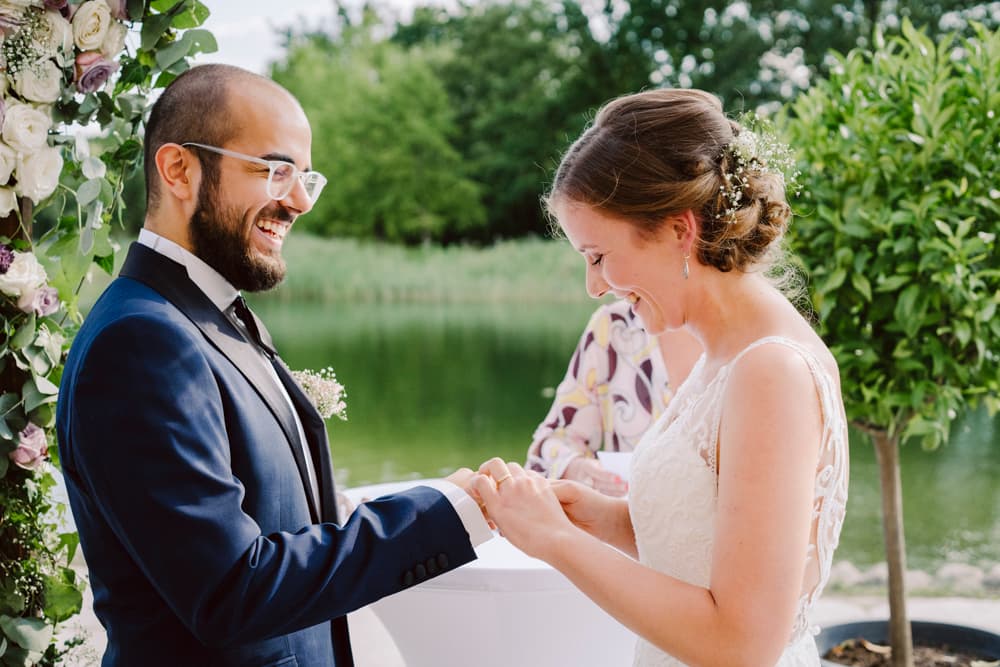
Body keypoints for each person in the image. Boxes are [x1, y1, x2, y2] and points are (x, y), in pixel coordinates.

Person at [55, 64, 491, 666]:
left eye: (307, 176)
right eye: (275, 170)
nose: (301, 201)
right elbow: (231, 590)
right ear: (179, 169)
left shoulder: (206, 311)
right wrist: (440, 516)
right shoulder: (141, 342)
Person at [474, 89, 849, 666]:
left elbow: (742, 642)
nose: (593, 287)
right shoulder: (725, 356)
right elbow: (708, 541)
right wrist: (604, 519)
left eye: (598, 255)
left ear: (680, 230)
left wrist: (557, 542)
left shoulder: (769, 371)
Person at [527, 299, 701, 495]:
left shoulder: (739, 337)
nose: (592, 288)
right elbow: (551, 443)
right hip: (623, 521)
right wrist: (580, 470)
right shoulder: (614, 326)